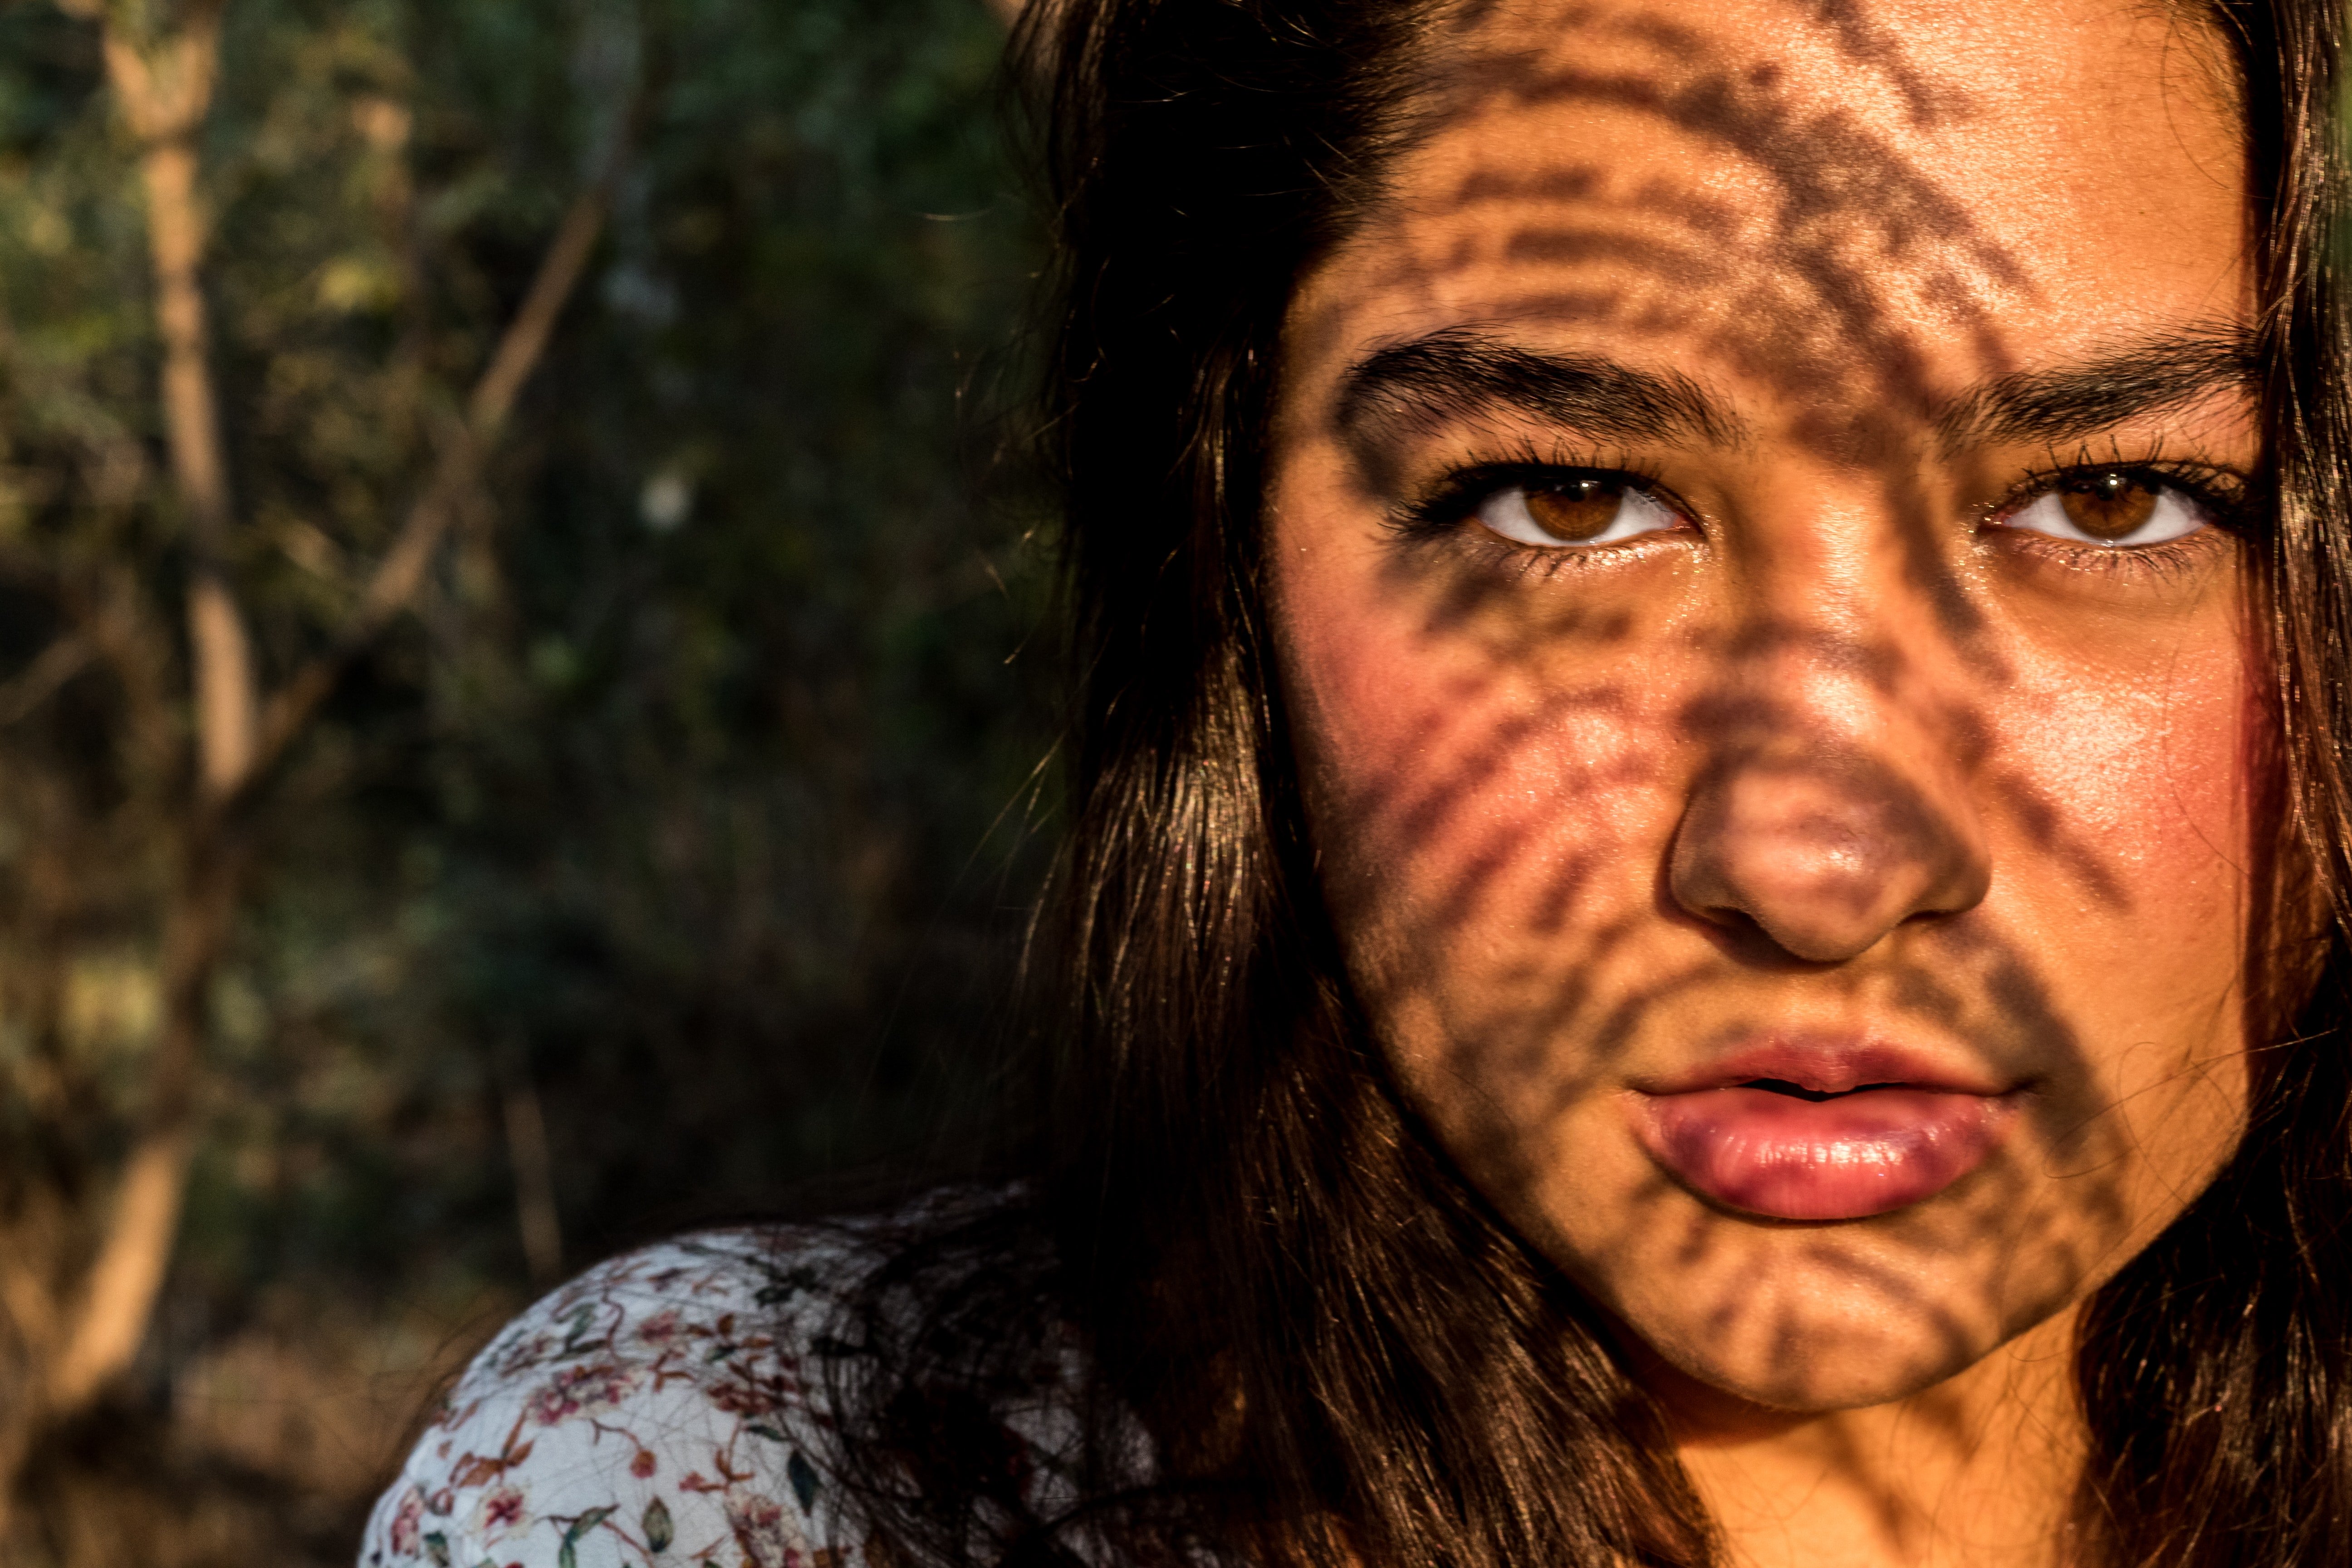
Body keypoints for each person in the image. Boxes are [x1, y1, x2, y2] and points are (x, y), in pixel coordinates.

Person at [358, 0, 2352, 1563]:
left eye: (2116, 499)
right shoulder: (741, 1492)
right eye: (1565, 501)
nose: (1820, 864)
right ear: (1226, 556)